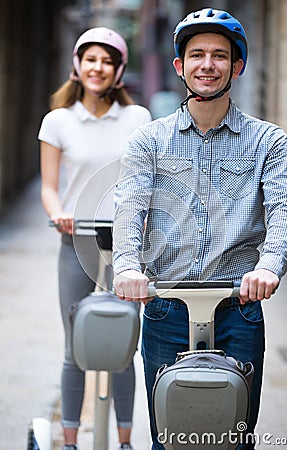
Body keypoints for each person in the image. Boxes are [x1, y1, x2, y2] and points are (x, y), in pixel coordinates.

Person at [112, 8, 287, 450]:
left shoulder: (268, 141)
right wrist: (126, 266)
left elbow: (284, 208)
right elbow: (129, 205)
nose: (207, 65)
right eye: (196, 55)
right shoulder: (149, 140)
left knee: (233, 437)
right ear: (180, 66)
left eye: (219, 55)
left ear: (236, 66)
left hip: (239, 309)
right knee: (171, 437)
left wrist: (270, 267)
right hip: (167, 309)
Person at [38, 27, 151, 450]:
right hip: (76, 241)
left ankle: (123, 442)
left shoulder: (138, 119)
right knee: (76, 346)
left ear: (119, 69)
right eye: (90, 59)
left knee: (123, 346)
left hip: (125, 247)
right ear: (77, 65)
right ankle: (69, 441)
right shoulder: (58, 120)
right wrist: (58, 214)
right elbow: (50, 186)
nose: (97, 68)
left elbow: (148, 180)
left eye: (106, 60)